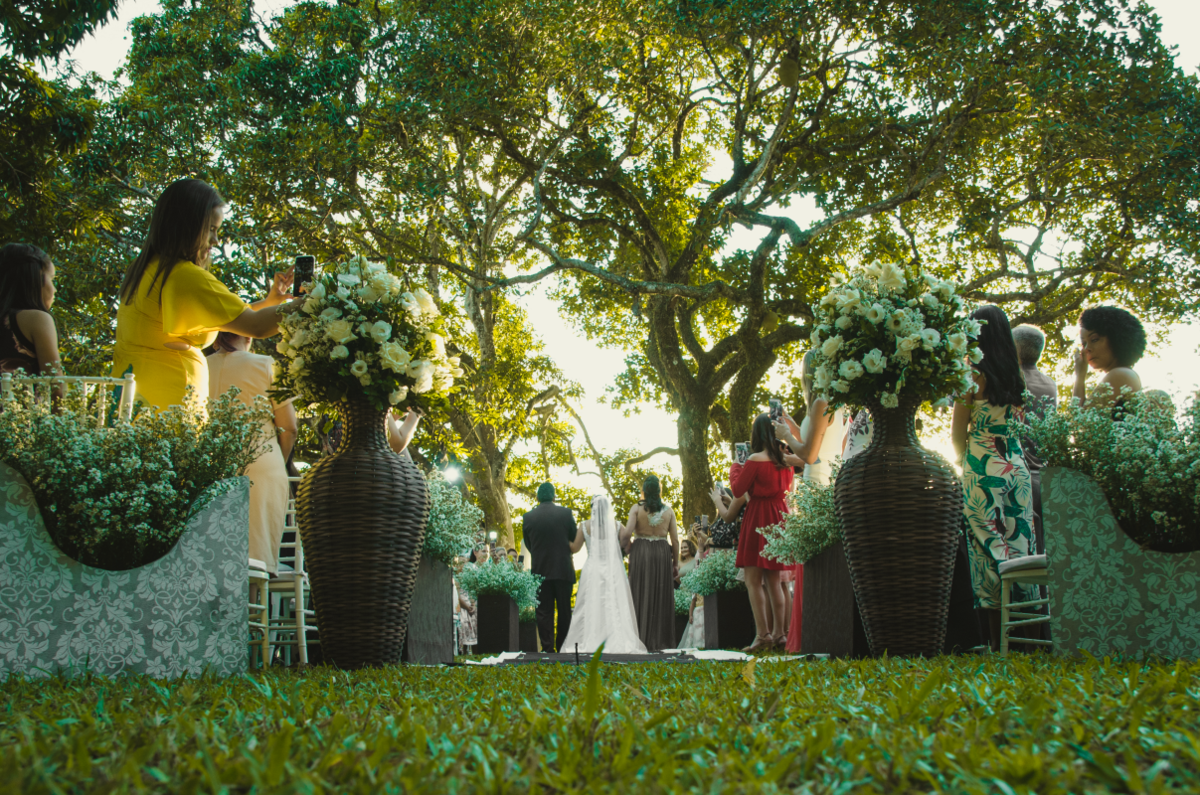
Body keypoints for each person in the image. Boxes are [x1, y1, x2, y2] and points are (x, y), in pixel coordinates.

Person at [113, 179, 295, 411]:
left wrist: (268, 303)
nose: (216, 241)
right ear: (185, 225)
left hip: (138, 400)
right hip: (166, 408)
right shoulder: (183, 276)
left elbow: (224, 316)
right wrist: (314, 302)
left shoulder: (149, 269)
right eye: (211, 229)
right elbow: (257, 327)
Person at [953, 305, 1035, 650]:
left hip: (983, 467)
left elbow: (957, 435)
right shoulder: (1017, 379)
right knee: (1019, 547)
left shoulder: (971, 377)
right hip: (1016, 467)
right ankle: (1025, 639)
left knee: (986, 549)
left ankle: (992, 641)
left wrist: (964, 464)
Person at [206, 332, 298, 572]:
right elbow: (289, 428)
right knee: (254, 561)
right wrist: (282, 460)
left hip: (210, 466)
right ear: (249, 336)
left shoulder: (200, 366)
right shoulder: (266, 364)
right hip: (262, 464)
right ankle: (254, 607)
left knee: (213, 557)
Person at [732, 414, 795, 653]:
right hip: (780, 515)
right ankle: (781, 634)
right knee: (775, 581)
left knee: (753, 581)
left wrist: (736, 466)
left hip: (758, 515)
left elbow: (738, 489)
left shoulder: (754, 460)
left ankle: (763, 635)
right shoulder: (785, 460)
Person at [561, 495, 647, 655]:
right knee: (612, 603)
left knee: (590, 604)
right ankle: (614, 640)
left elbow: (574, 548)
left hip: (592, 569)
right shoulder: (616, 525)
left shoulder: (584, 526)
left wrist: (562, 538)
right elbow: (627, 546)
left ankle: (590, 639)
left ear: (592, 508)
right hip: (612, 569)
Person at [1012, 324, 1058, 556]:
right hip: (1045, 475)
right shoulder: (1050, 384)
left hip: (1018, 474)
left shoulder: (1012, 381)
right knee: (1042, 548)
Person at [620, 475, 679, 652]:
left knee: (639, 592)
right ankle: (661, 641)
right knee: (661, 594)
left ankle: (639, 639)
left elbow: (626, 533)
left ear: (644, 491)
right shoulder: (669, 511)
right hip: (662, 552)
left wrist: (627, 547)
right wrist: (675, 563)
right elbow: (675, 540)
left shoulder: (637, 508)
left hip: (641, 551)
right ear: (659, 491)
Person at [521, 482, 578, 653]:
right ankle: (562, 647)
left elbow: (529, 544)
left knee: (544, 612)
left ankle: (547, 648)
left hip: (540, 570)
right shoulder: (566, 514)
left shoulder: (528, 517)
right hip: (563, 569)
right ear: (554, 496)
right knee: (564, 611)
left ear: (537, 497)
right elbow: (573, 538)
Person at [0, 243, 63, 382]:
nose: (55, 290)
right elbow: (57, 389)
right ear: (36, 278)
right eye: (52, 279)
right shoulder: (37, 319)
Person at [1073, 305, 1146, 412]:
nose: (1087, 349)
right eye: (1084, 343)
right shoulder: (1122, 374)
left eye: (1094, 340)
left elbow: (1079, 422)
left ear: (1116, 338)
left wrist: (1079, 376)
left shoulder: (1120, 374)